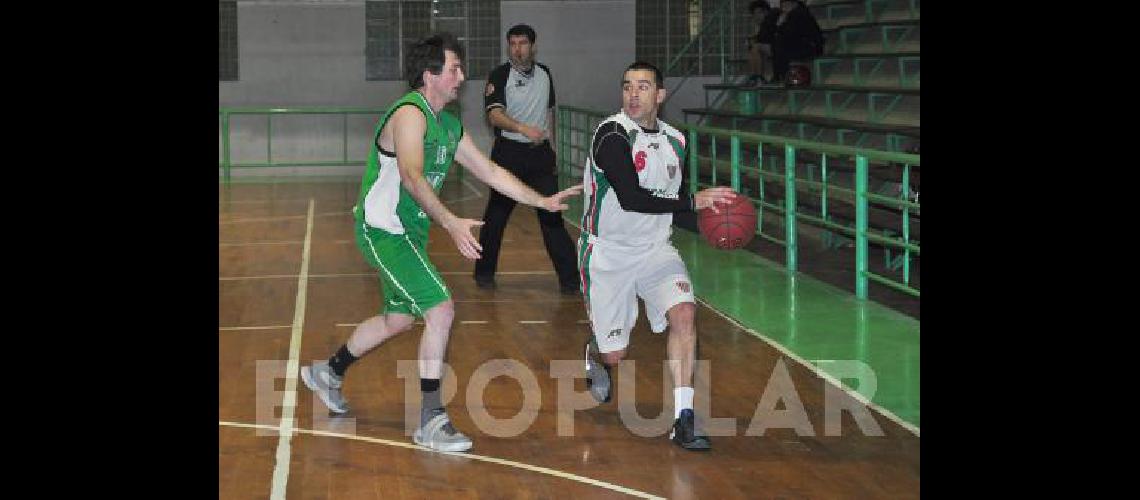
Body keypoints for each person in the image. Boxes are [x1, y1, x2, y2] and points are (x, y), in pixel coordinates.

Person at [300, 33, 582, 453]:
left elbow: (489, 171)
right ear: (429, 74)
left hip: (408, 232)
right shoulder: (410, 115)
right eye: (454, 69)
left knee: (398, 320)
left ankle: (329, 372)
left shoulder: (449, 125)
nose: (462, 77)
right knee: (441, 308)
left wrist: (540, 200)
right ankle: (430, 420)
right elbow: (412, 176)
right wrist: (450, 221)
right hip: (383, 230)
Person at [578, 61, 738, 451]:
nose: (633, 94)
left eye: (643, 86)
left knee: (684, 314)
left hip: (655, 249)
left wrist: (715, 225)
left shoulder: (676, 141)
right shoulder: (612, 135)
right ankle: (597, 352)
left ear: (660, 96)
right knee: (616, 355)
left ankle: (684, 418)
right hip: (608, 252)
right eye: (627, 86)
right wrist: (693, 203)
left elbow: (667, 203)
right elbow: (633, 198)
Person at [474, 24, 580, 295]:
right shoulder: (499, 75)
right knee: (496, 216)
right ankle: (484, 273)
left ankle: (571, 280)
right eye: (512, 44)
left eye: (522, 43)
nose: (517, 49)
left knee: (551, 213)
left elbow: (550, 113)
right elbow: (494, 115)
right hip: (508, 154)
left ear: (533, 46)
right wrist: (522, 128)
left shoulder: (545, 74)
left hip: (540, 156)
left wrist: (552, 147)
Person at [771, 0, 824, 84]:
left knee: (780, 46)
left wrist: (780, 25)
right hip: (806, 45)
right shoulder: (796, 13)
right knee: (778, 45)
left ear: (793, 3)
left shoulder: (797, 14)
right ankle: (780, 76)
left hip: (810, 47)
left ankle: (780, 77)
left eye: (785, 4)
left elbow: (790, 34)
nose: (783, 8)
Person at [744, 0, 778, 86]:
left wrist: (754, 39)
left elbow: (766, 38)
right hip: (772, 47)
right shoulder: (763, 24)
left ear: (765, 12)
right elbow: (762, 38)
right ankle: (755, 75)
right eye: (754, 14)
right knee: (753, 48)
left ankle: (758, 76)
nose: (756, 17)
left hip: (780, 47)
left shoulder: (771, 19)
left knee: (756, 47)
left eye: (758, 13)